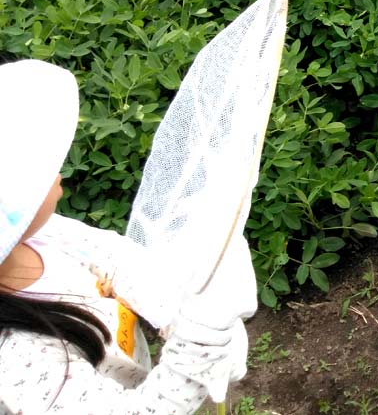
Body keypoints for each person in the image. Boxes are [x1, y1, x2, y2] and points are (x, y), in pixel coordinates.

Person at [0, 59, 249, 414]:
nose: (55, 167)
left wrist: (175, 313)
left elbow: (112, 258)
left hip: (131, 371)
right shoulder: (20, 361)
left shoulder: (44, 236)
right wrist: (199, 348)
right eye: (28, 171)